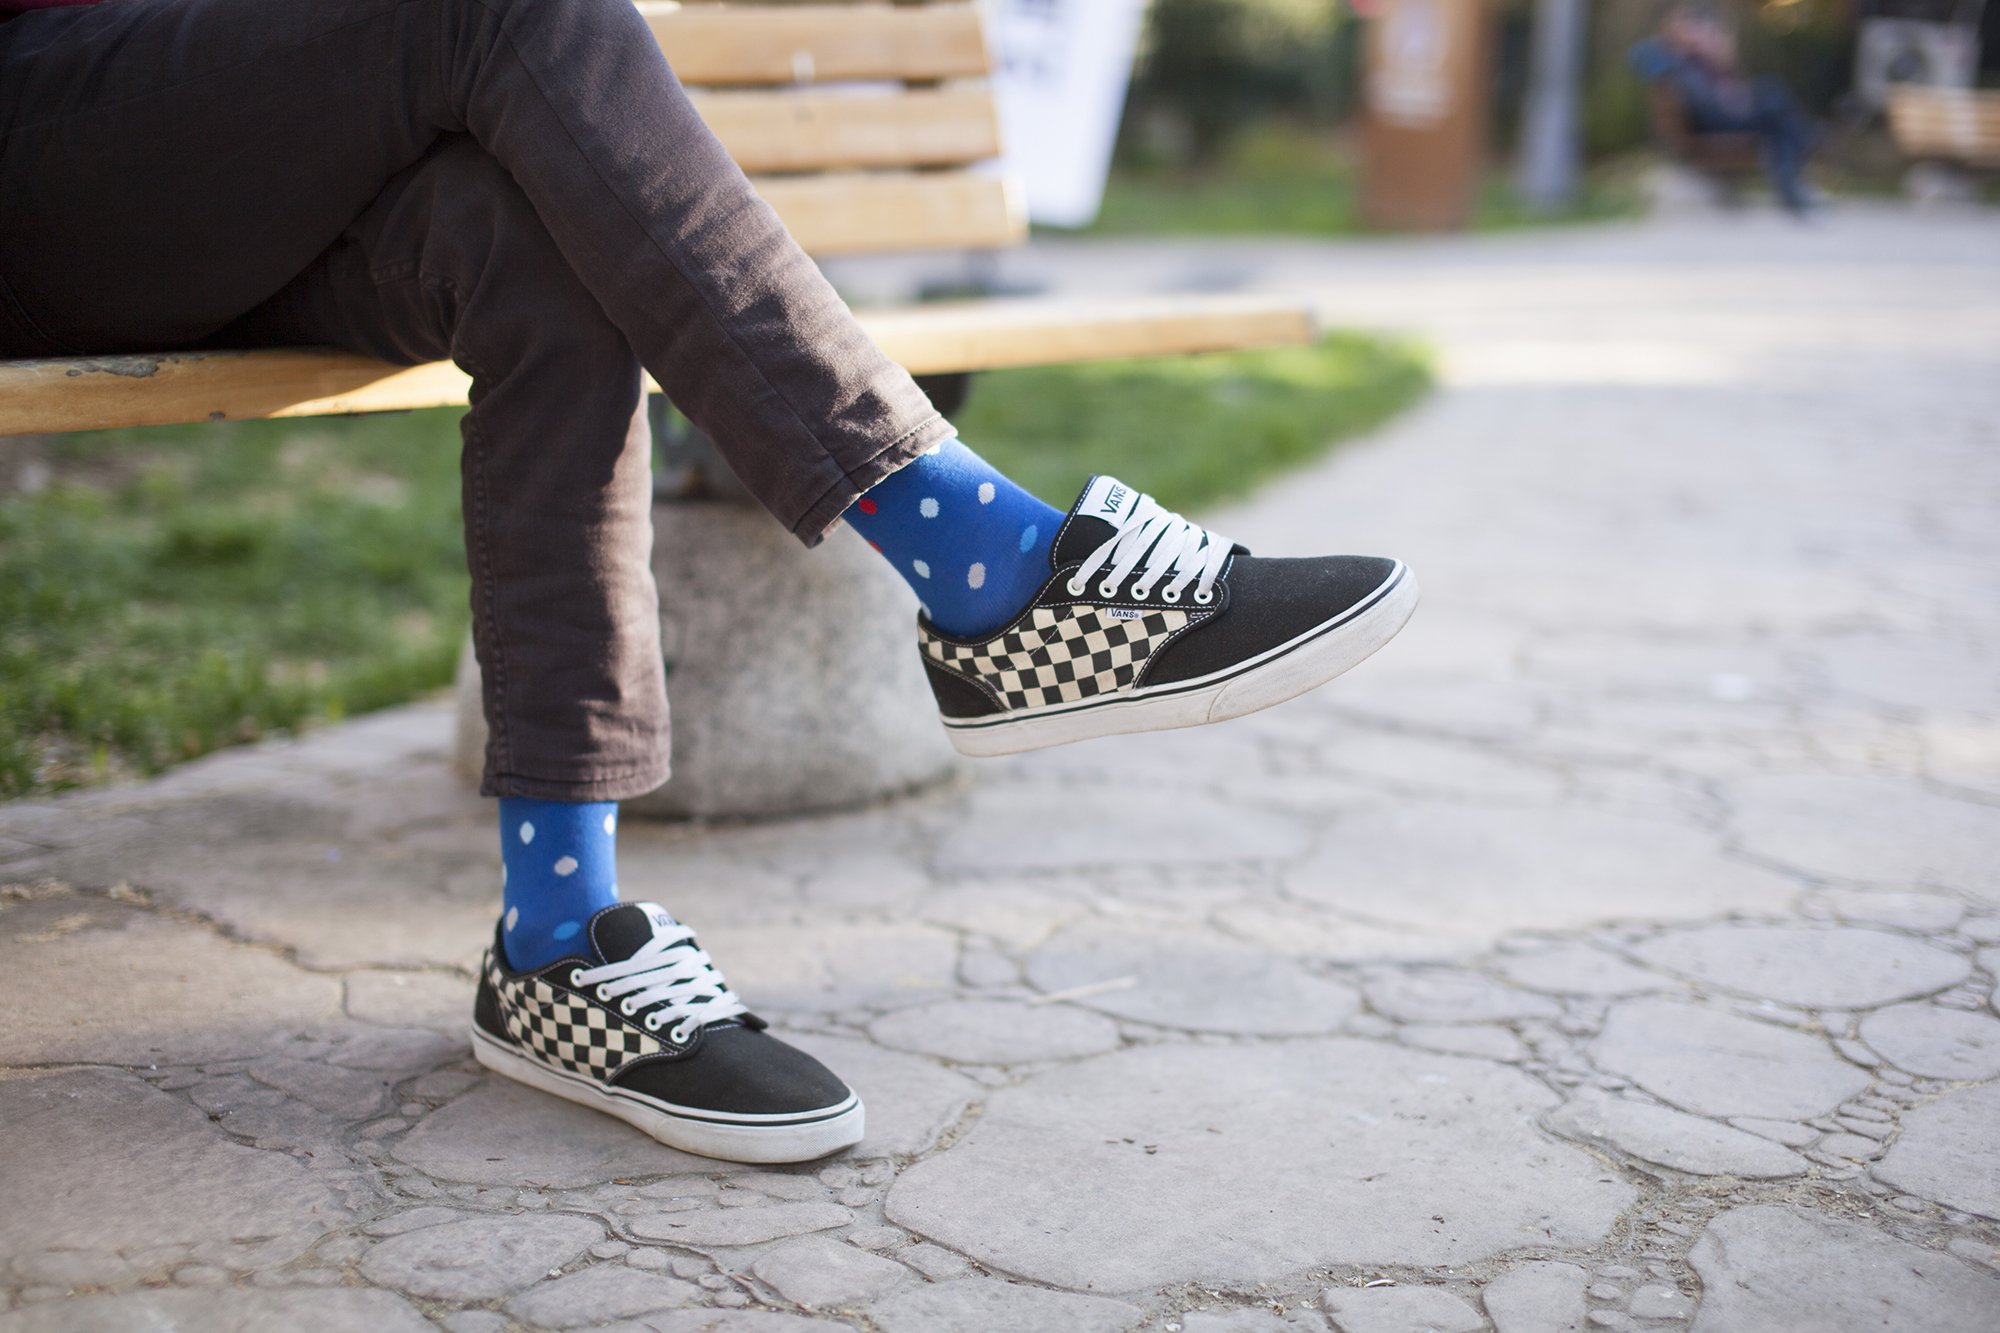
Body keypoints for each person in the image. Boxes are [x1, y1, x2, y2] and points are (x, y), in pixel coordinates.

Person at [0, 0, 1416, 1164]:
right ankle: (988, 570)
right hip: (48, 143)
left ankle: (561, 937)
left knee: (535, 253)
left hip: (199, 142)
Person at [1630, 1, 1824, 214]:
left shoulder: (1702, 56)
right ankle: (1809, 141)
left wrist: (1718, 59)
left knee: (1776, 119)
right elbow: (1638, 56)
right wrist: (1677, 48)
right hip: (1712, 122)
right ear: (1671, 25)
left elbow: (1730, 88)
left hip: (1727, 114)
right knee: (1772, 94)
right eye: (1686, 23)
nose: (1692, 29)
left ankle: (1791, 180)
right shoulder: (1666, 55)